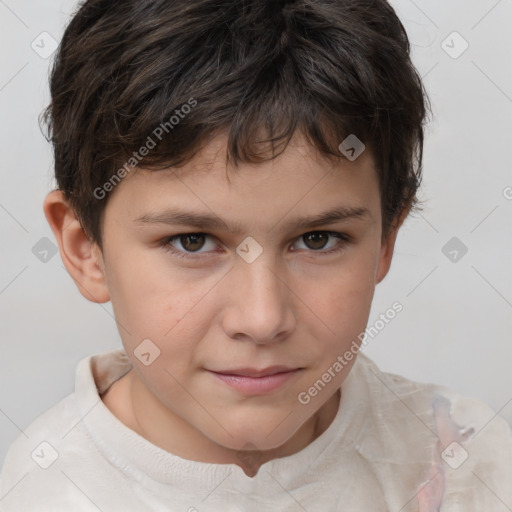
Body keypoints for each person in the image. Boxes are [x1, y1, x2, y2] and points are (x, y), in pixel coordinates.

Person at [1, 0, 511, 510]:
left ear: (386, 240)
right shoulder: (34, 495)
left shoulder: (475, 467)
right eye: (193, 241)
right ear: (86, 249)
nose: (263, 319)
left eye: (318, 239)